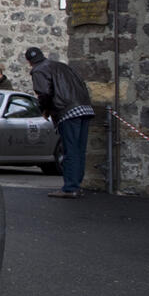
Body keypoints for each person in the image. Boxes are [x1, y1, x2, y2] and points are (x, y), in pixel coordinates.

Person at [26, 46, 94, 198]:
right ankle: (76, 185)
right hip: (84, 107)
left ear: (29, 62)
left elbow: (44, 93)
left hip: (67, 110)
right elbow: (81, 83)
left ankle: (70, 188)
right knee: (79, 150)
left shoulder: (38, 70)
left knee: (70, 150)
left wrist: (45, 109)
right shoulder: (61, 66)